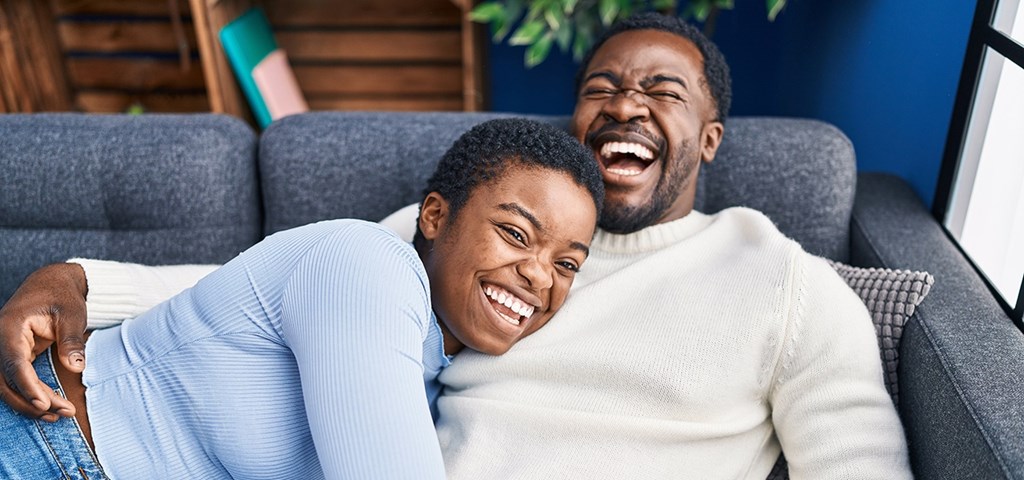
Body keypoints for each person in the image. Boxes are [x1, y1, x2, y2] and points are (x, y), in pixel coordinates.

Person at [1, 13, 913, 479]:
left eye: (663, 92)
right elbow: (267, 286)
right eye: (603, 87)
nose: (627, 104)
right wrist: (77, 277)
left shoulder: (786, 285)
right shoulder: (452, 246)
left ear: (711, 137)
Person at [0, 118, 604, 479]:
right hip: (43, 448)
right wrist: (73, 276)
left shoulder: (434, 367)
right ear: (436, 216)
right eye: (516, 234)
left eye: (566, 264)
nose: (537, 275)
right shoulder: (369, 263)